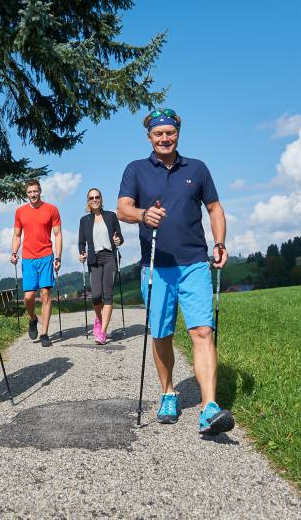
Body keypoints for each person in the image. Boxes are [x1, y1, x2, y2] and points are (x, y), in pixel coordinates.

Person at [117, 108, 234, 435]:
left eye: (170, 132)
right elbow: (123, 208)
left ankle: (209, 406)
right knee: (162, 334)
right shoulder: (136, 169)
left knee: (202, 332)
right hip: (156, 268)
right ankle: (168, 392)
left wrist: (220, 242)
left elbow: (214, 208)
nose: (165, 138)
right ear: (149, 137)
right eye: (159, 134)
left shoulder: (197, 168)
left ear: (178, 133)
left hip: (195, 263)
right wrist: (143, 215)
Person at [10, 179, 62, 347]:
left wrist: (58, 257)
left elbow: (58, 234)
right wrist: (14, 252)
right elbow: (17, 236)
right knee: (29, 296)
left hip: (46, 256)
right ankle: (33, 319)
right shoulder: (20, 212)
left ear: (40, 191)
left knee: (45, 293)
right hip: (28, 258)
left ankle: (45, 333)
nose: (33, 194)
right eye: (30, 192)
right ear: (27, 194)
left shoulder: (51, 209)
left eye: (35, 191)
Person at [78, 188, 124, 344]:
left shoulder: (111, 216)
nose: (95, 199)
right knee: (96, 295)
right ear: (88, 201)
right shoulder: (84, 221)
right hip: (94, 259)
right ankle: (99, 319)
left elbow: (119, 237)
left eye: (97, 197)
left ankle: (103, 332)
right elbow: (81, 242)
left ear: (101, 199)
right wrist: (82, 253)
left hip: (109, 257)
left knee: (108, 294)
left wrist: (118, 241)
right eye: (91, 198)